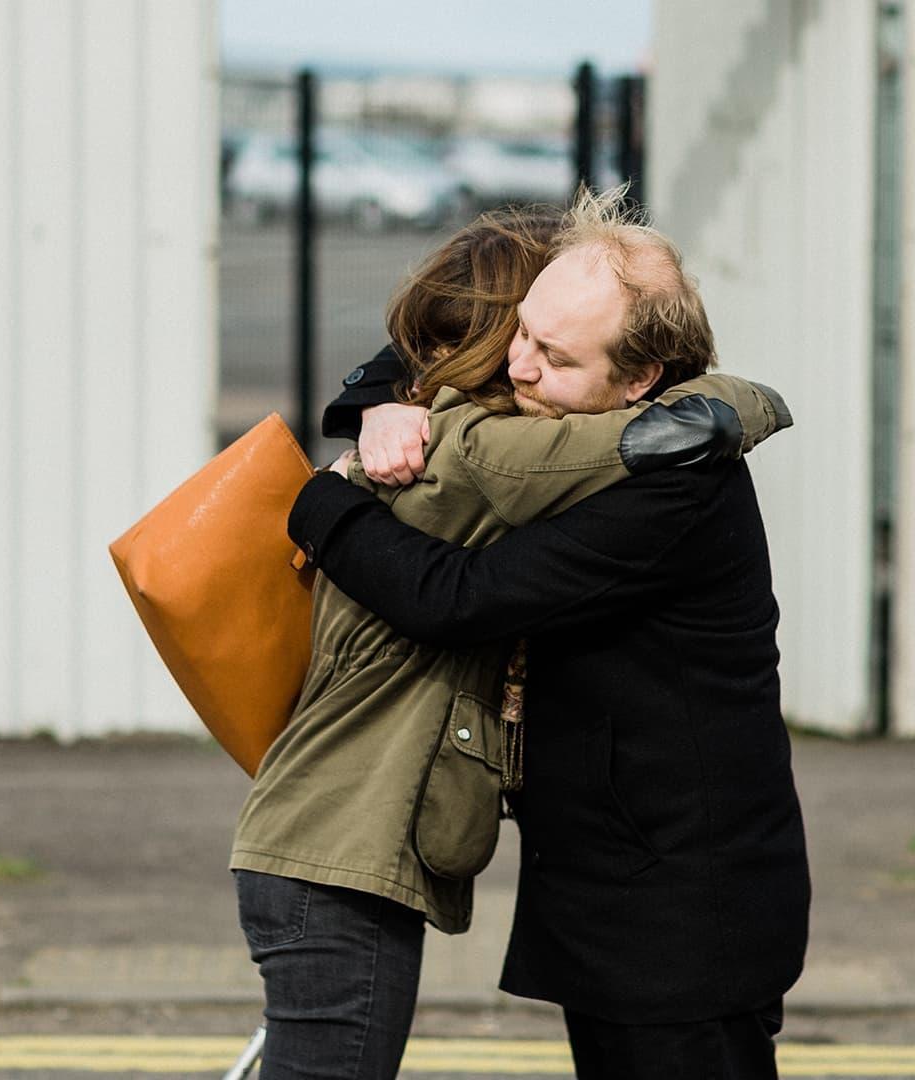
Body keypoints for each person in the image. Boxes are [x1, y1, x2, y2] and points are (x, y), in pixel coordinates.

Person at [229, 197, 790, 1080]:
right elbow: (450, 325)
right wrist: (378, 402)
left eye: (555, 356)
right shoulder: (585, 429)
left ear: (642, 380)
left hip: (682, 906)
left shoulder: (672, 482)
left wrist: (321, 502)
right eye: (523, 332)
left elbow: (461, 600)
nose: (518, 366)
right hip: (604, 881)